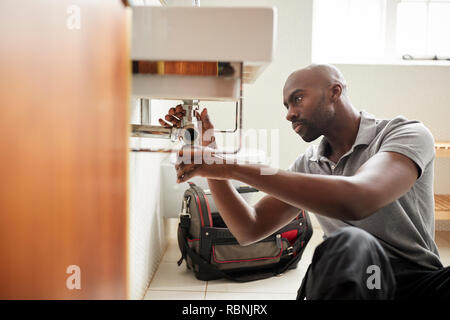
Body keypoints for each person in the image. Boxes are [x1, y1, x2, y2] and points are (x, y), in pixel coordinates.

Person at [158, 63, 449, 300]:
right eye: (286, 105)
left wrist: (229, 166)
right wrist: (213, 165)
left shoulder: (404, 133)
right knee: (351, 242)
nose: (289, 114)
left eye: (297, 99)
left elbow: (359, 199)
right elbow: (250, 228)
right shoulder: (309, 163)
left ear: (335, 92)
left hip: (418, 282)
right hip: (354, 278)